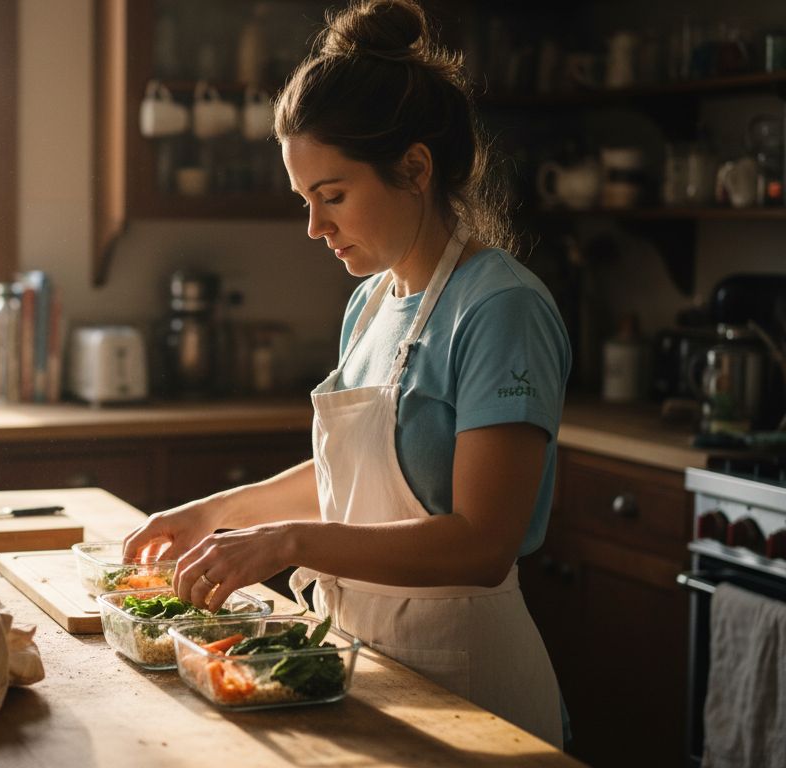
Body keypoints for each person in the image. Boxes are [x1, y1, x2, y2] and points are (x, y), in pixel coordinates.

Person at [123, 0, 570, 748]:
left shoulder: (501, 310)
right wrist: (219, 513)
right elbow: (356, 474)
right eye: (305, 200)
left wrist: (288, 542)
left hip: (471, 684)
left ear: (415, 168)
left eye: (332, 196)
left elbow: (482, 540)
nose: (314, 228)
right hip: (367, 665)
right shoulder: (371, 302)